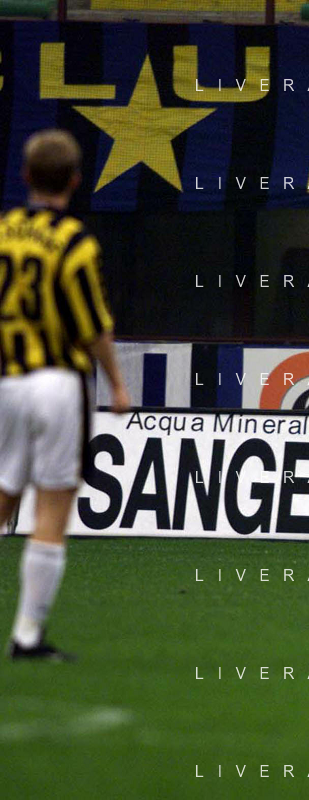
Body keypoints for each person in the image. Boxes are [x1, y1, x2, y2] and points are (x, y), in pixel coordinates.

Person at [0, 129, 131, 661]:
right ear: (75, 181)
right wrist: (117, 381)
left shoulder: (3, 232)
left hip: (8, 381)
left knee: (3, 495)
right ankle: (28, 635)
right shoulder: (76, 242)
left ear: (26, 176)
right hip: (58, 382)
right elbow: (92, 325)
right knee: (53, 507)